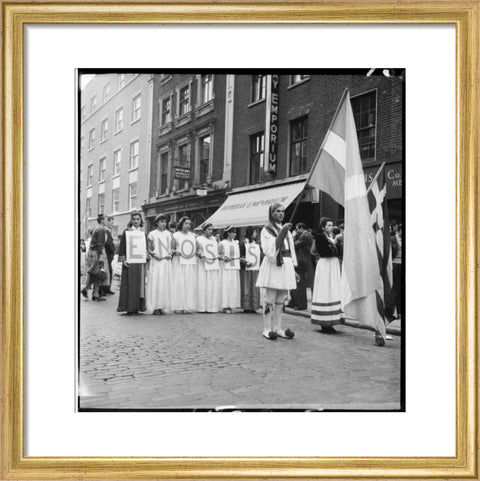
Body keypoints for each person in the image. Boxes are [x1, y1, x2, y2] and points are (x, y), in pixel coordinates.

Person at [256, 203, 298, 340]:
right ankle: (267, 328)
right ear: (272, 213)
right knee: (270, 298)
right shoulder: (266, 230)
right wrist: (282, 232)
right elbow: (269, 250)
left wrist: (293, 267)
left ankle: (278, 328)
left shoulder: (287, 230)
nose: (281, 213)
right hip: (274, 265)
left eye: (283, 211)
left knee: (281, 299)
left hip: (285, 264)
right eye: (278, 211)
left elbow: (291, 250)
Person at [311, 217, 344, 333]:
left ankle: (331, 320)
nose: (331, 227)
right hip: (326, 264)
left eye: (332, 225)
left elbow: (339, 253)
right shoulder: (320, 237)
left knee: (333, 290)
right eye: (329, 225)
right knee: (325, 290)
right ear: (323, 227)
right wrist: (335, 242)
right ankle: (324, 322)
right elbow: (325, 251)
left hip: (333, 265)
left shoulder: (331, 237)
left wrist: (338, 242)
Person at [117, 212, 147, 315]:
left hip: (139, 263)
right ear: (131, 220)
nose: (136, 221)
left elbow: (145, 248)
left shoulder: (143, 233)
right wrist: (123, 260)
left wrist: (146, 256)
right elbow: (122, 247)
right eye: (134, 219)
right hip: (129, 262)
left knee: (139, 285)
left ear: (141, 221)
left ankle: (137, 307)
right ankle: (129, 307)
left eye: (138, 219)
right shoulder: (126, 232)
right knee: (129, 284)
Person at [146, 214, 173, 315]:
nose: (163, 224)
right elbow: (149, 248)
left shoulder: (169, 234)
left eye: (165, 222)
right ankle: (156, 306)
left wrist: (170, 253)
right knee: (157, 282)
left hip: (166, 261)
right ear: (157, 222)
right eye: (161, 222)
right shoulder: (152, 234)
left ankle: (163, 306)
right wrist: (154, 255)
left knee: (165, 283)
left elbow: (171, 247)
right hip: (157, 261)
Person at [171, 216, 197, 313]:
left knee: (189, 283)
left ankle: (187, 306)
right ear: (181, 224)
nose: (188, 225)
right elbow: (172, 248)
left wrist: (197, 253)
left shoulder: (193, 235)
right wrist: (175, 252)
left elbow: (196, 248)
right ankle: (178, 306)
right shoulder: (176, 235)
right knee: (179, 283)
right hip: (179, 262)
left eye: (189, 224)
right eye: (186, 223)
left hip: (189, 262)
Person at [82, 214, 110, 301]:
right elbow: (99, 244)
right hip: (97, 253)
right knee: (98, 273)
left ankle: (95, 293)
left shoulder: (96, 228)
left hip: (92, 252)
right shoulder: (101, 229)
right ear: (102, 220)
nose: (107, 221)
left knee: (95, 273)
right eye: (106, 219)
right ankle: (91, 291)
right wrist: (101, 256)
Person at [195, 223, 221, 313]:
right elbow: (194, 251)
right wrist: (199, 255)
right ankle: (202, 307)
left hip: (213, 265)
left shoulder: (214, 240)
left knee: (212, 285)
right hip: (203, 265)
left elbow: (217, 252)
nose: (211, 231)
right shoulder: (198, 239)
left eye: (212, 230)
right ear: (204, 230)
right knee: (203, 284)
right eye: (209, 229)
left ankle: (212, 306)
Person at [289, 223, 314, 310]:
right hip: (301, 261)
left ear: (301, 228)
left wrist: (292, 236)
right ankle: (294, 302)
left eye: (297, 229)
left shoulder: (305, 236)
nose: (296, 231)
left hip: (302, 262)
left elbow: (293, 245)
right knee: (296, 284)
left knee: (300, 285)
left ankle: (301, 304)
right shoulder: (305, 235)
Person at [239, 227, 262, 313]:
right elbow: (240, 257)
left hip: (255, 269)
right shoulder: (243, 244)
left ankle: (254, 306)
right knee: (247, 287)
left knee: (254, 287)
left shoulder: (256, 244)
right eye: (255, 232)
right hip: (246, 269)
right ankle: (246, 306)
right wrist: (245, 262)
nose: (256, 234)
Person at [219, 226, 241, 314]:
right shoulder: (222, 243)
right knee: (226, 286)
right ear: (229, 233)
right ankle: (225, 305)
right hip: (225, 268)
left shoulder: (236, 243)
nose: (235, 234)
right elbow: (217, 255)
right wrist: (224, 258)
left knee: (233, 285)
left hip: (234, 267)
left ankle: (231, 304)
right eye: (234, 232)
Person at [100, 215, 116, 296]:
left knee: (109, 271)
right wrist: (113, 251)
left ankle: (107, 289)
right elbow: (109, 244)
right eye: (111, 222)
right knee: (107, 271)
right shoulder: (106, 231)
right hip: (106, 254)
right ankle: (104, 289)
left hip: (107, 254)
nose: (112, 224)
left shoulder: (108, 231)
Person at [391, 223, 402, 320]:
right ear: (398, 230)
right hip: (396, 265)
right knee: (397, 289)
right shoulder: (393, 239)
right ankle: (397, 312)